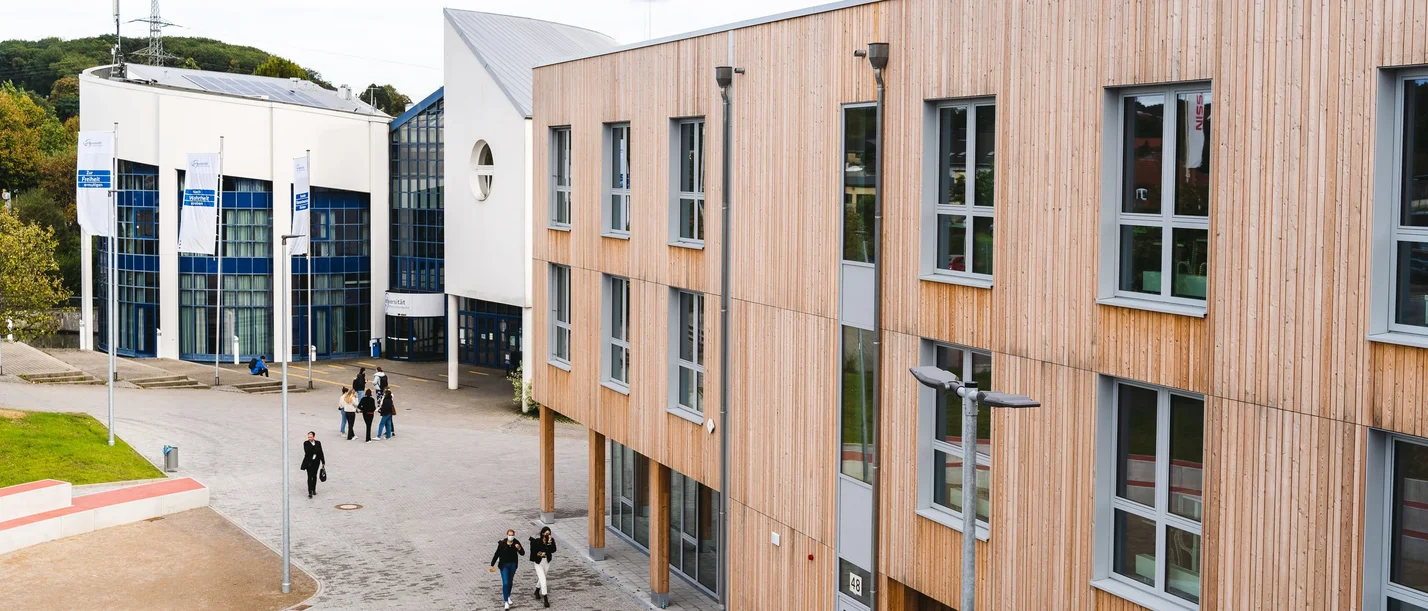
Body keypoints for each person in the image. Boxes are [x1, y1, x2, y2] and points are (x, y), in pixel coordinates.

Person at [489, 529, 525, 609]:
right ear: (506, 535)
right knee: (505, 582)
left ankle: (508, 596)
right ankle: (506, 601)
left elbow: (522, 553)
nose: (511, 536)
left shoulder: (516, 543)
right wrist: (492, 564)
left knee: (510, 581)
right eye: (509, 535)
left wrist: (519, 548)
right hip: (504, 565)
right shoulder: (502, 544)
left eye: (512, 535)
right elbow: (497, 554)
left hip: (512, 564)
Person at [528, 526, 557, 607]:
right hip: (538, 562)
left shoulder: (551, 540)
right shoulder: (538, 541)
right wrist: (541, 554)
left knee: (542, 577)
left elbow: (553, 550)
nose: (548, 535)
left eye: (549, 533)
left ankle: (537, 590)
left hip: (547, 561)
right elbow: (535, 552)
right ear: (543, 533)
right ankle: (545, 599)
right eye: (546, 533)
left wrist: (550, 543)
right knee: (543, 580)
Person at [299, 431, 325, 499]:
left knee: (314, 476)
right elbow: (307, 452)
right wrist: (315, 450)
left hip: (316, 462)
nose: (309, 438)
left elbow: (321, 452)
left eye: (311, 437)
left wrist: (323, 461)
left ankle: (314, 489)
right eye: (308, 437)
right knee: (309, 477)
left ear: (314, 437)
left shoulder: (318, 443)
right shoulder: (306, 443)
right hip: (309, 463)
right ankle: (310, 492)